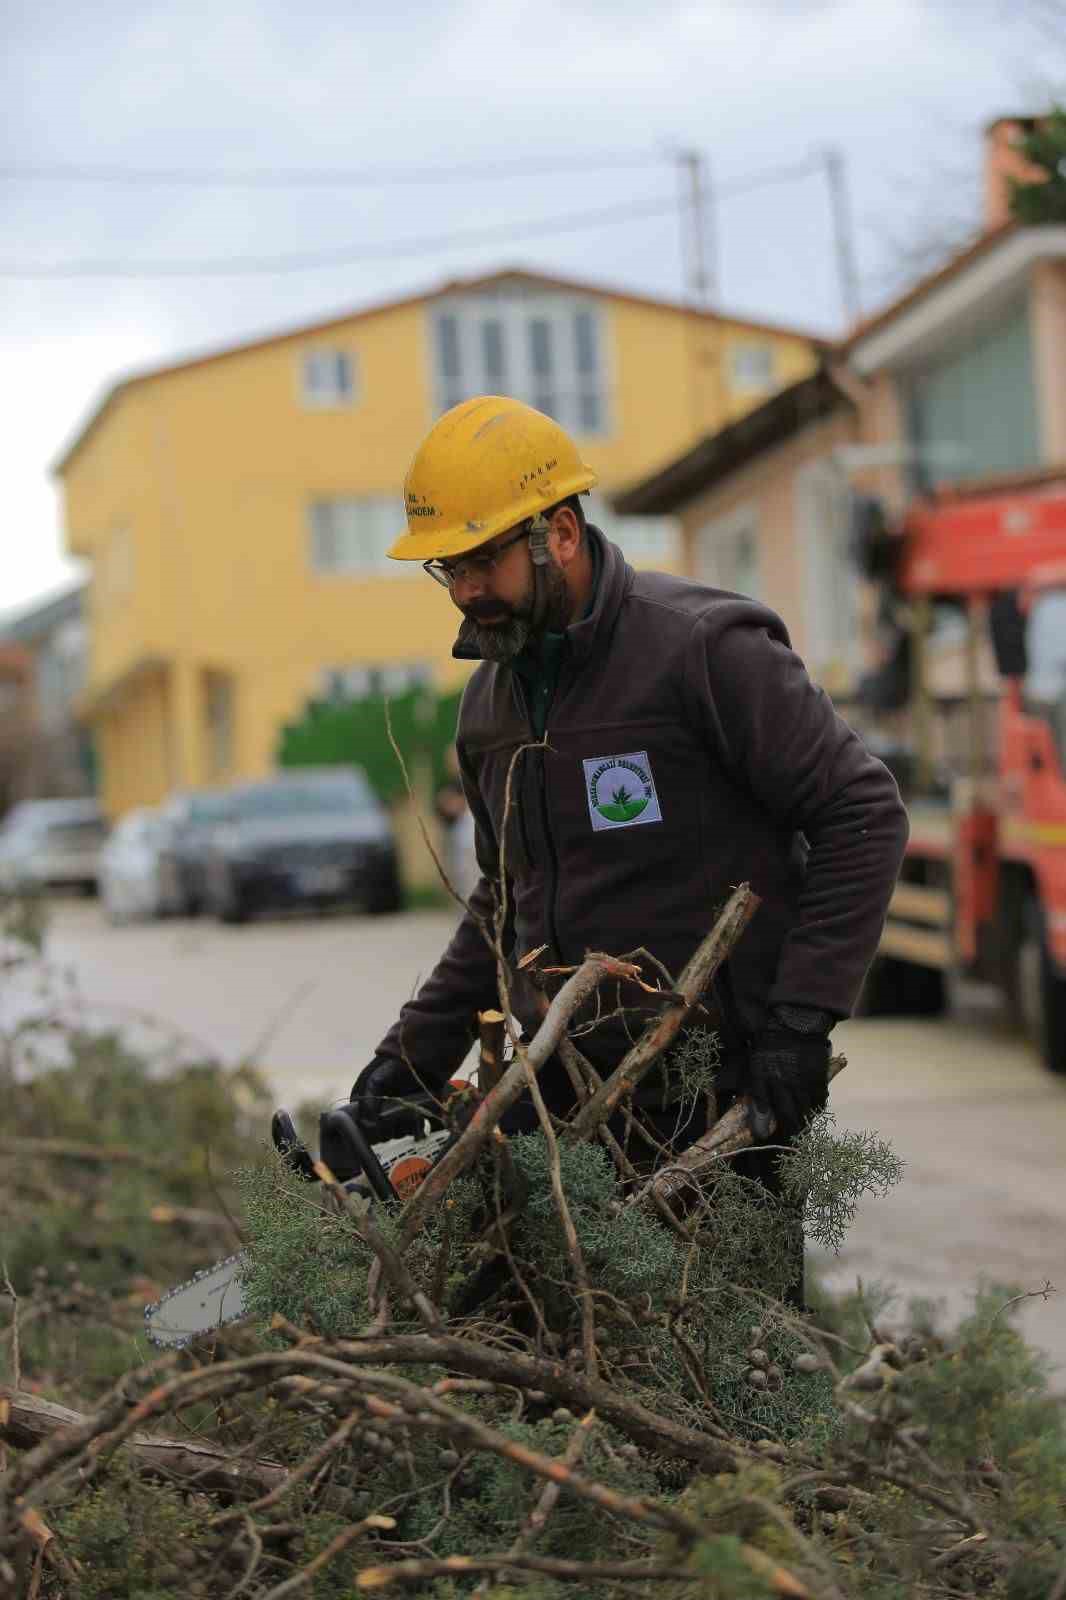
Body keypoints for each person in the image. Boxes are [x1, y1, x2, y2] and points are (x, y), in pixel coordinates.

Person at [349, 396, 909, 1301]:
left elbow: (862, 812)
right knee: (569, 1369)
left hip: (723, 1097)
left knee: (733, 1383)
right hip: (567, 1100)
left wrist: (801, 1022)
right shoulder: (490, 709)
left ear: (559, 533)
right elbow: (504, 902)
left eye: (482, 560)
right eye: (447, 569)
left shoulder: (702, 650)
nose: (463, 592)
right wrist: (410, 1058)